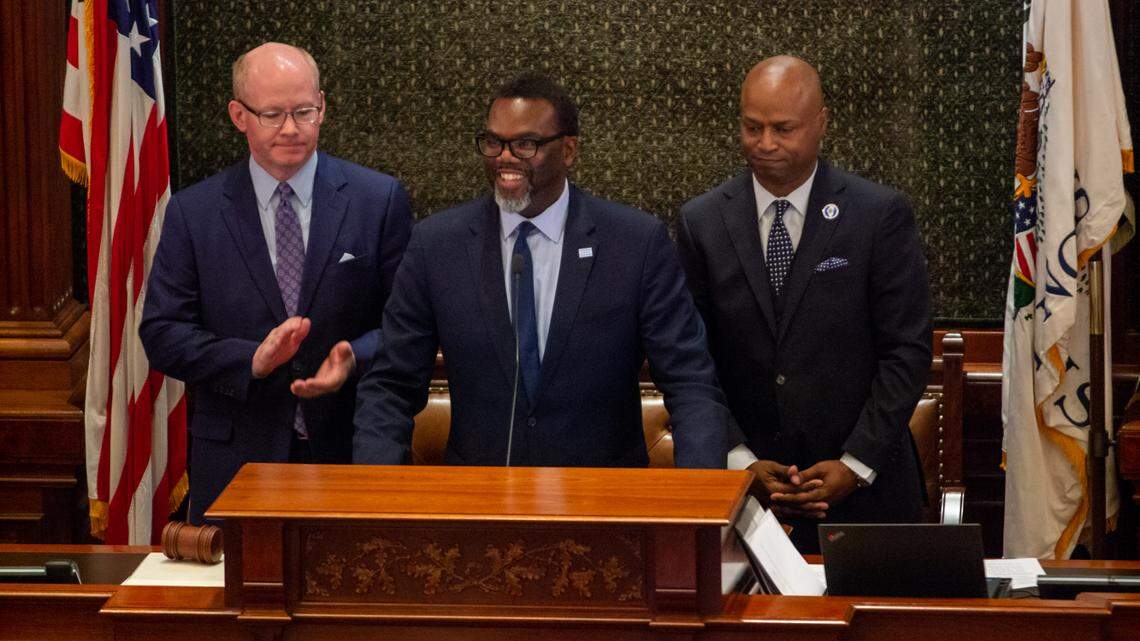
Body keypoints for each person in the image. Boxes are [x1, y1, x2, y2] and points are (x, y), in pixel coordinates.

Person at [353, 72, 729, 469]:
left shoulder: (635, 243)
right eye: (494, 142)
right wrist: (379, 491)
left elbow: (690, 383)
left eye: (525, 144)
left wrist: (701, 503)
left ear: (568, 150)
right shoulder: (437, 245)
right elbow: (390, 386)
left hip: (603, 503)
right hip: (479, 502)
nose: (504, 158)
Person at [140, 43, 413, 524]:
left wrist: (354, 356)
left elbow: (408, 325)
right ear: (238, 115)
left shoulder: (378, 200)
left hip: (349, 449)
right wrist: (252, 360)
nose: (291, 128)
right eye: (272, 114)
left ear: (322, 107)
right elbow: (163, 334)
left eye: (304, 111)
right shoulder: (194, 212)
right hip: (237, 460)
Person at [676, 55, 932, 552]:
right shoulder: (701, 222)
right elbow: (690, 360)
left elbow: (906, 352)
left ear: (821, 123)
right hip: (746, 499)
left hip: (866, 497)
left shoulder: (878, 215)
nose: (766, 143)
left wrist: (855, 464)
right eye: (752, 127)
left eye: (783, 128)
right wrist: (738, 459)